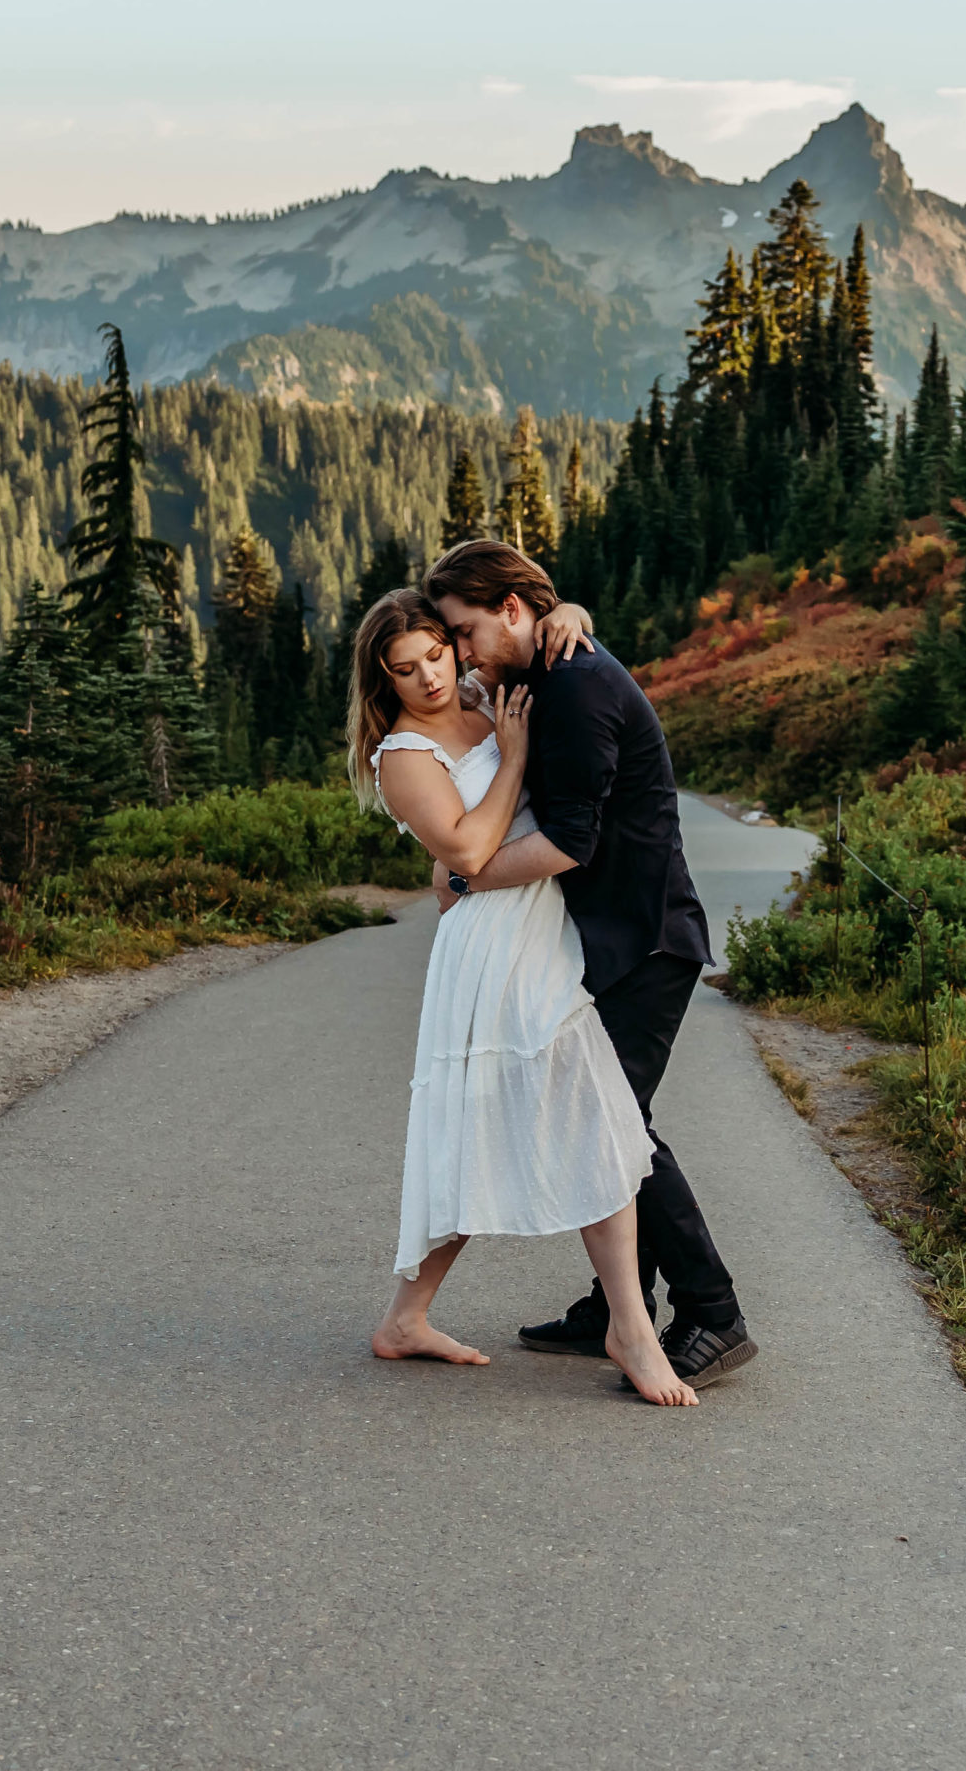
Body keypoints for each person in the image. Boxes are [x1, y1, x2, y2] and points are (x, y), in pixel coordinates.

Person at [348, 588, 698, 1407]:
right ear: (384, 681)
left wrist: (574, 611)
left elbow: (537, 629)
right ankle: (631, 1330)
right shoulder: (402, 755)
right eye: (406, 670)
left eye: (437, 653)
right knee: (594, 1117)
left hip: (546, 929)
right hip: (494, 948)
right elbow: (467, 849)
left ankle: (409, 1319)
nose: (430, 676)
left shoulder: (481, 696)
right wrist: (511, 759)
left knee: (539, 1123)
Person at [425, 540, 755, 1391]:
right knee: (606, 1123)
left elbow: (570, 842)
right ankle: (619, 1306)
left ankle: (713, 1314)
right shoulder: (546, 661)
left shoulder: (573, 685)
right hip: (613, 940)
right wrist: (545, 627)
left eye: (465, 634)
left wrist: (467, 876)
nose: (462, 655)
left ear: (510, 609)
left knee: (617, 1130)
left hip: (645, 942)